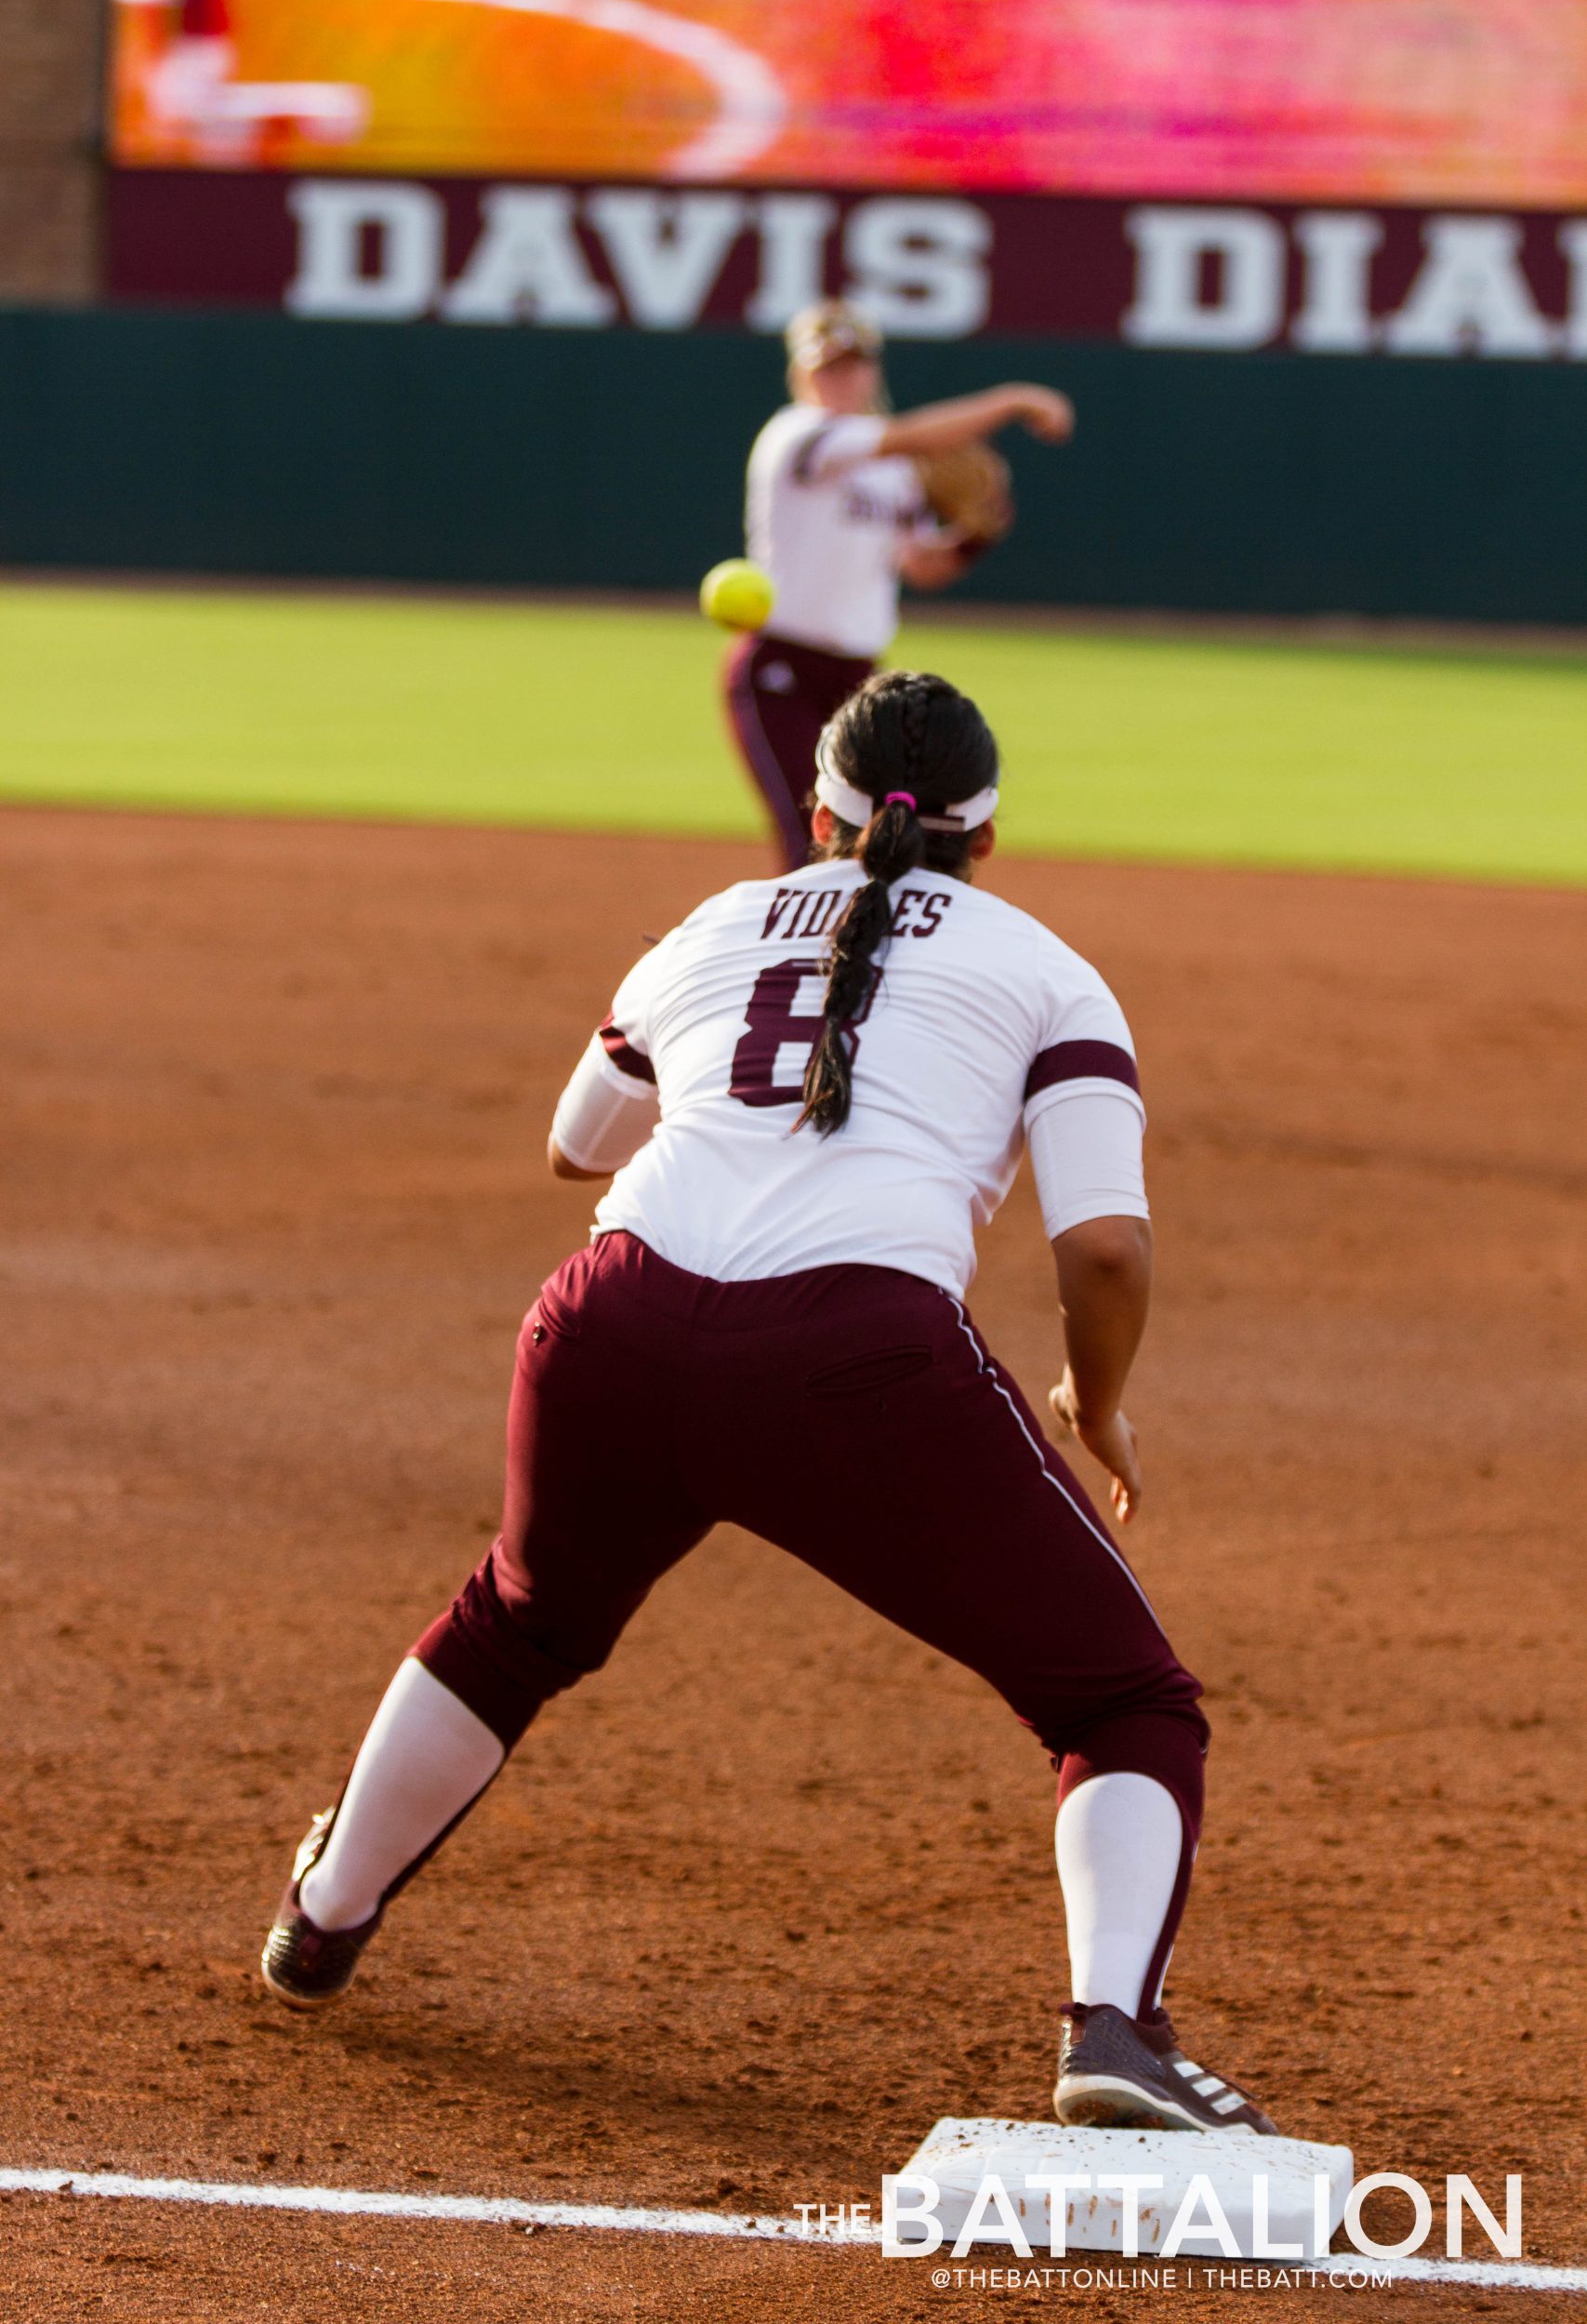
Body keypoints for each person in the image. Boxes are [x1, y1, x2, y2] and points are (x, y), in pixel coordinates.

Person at [262, 668, 1274, 2136]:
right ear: (989, 835)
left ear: (816, 811)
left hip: (609, 1324)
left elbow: (574, 1141)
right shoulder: (1045, 968)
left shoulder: (711, 924)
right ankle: (1112, 2030)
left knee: (515, 1621)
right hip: (850, 1365)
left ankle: (324, 1914)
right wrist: (1095, 1402)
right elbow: (1103, 1246)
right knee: (1120, 1703)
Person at [723, 300, 1075, 873]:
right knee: (811, 835)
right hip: (780, 668)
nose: (840, 378)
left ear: (873, 371)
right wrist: (1012, 401)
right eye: (826, 366)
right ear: (799, 375)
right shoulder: (799, 435)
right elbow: (910, 435)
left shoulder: (895, 470)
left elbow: (922, 568)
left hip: (860, 675)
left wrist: (976, 535)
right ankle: (806, 963)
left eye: (852, 364)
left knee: (868, 836)